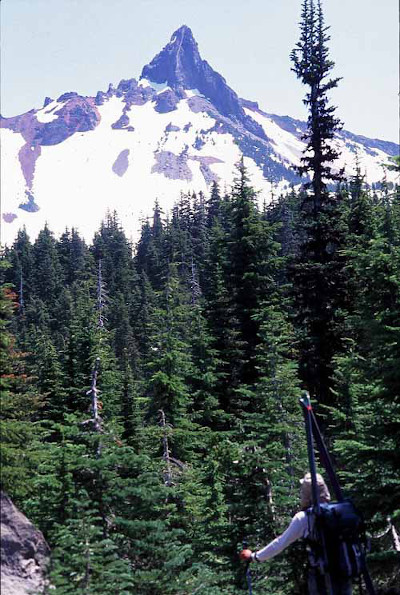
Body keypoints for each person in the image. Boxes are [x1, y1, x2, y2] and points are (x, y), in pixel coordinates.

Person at [239, 472, 353, 595]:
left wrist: (255, 556)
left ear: (307, 493)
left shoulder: (304, 518)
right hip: (345, 569)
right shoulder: (339, 510)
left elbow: (280, 543)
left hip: (322, 575)